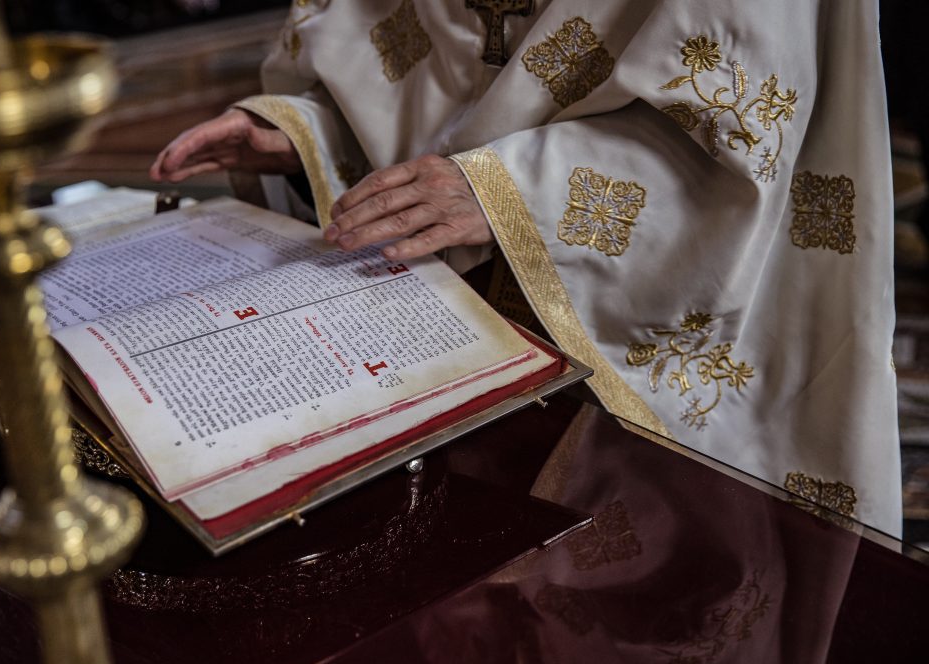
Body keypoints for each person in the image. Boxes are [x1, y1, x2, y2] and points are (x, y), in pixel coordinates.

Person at [151, 0, 901, 535]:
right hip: (438, 335)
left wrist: (510, 193)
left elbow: (742, 153)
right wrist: (308, 130)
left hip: (632, 341)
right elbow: (422, 67)